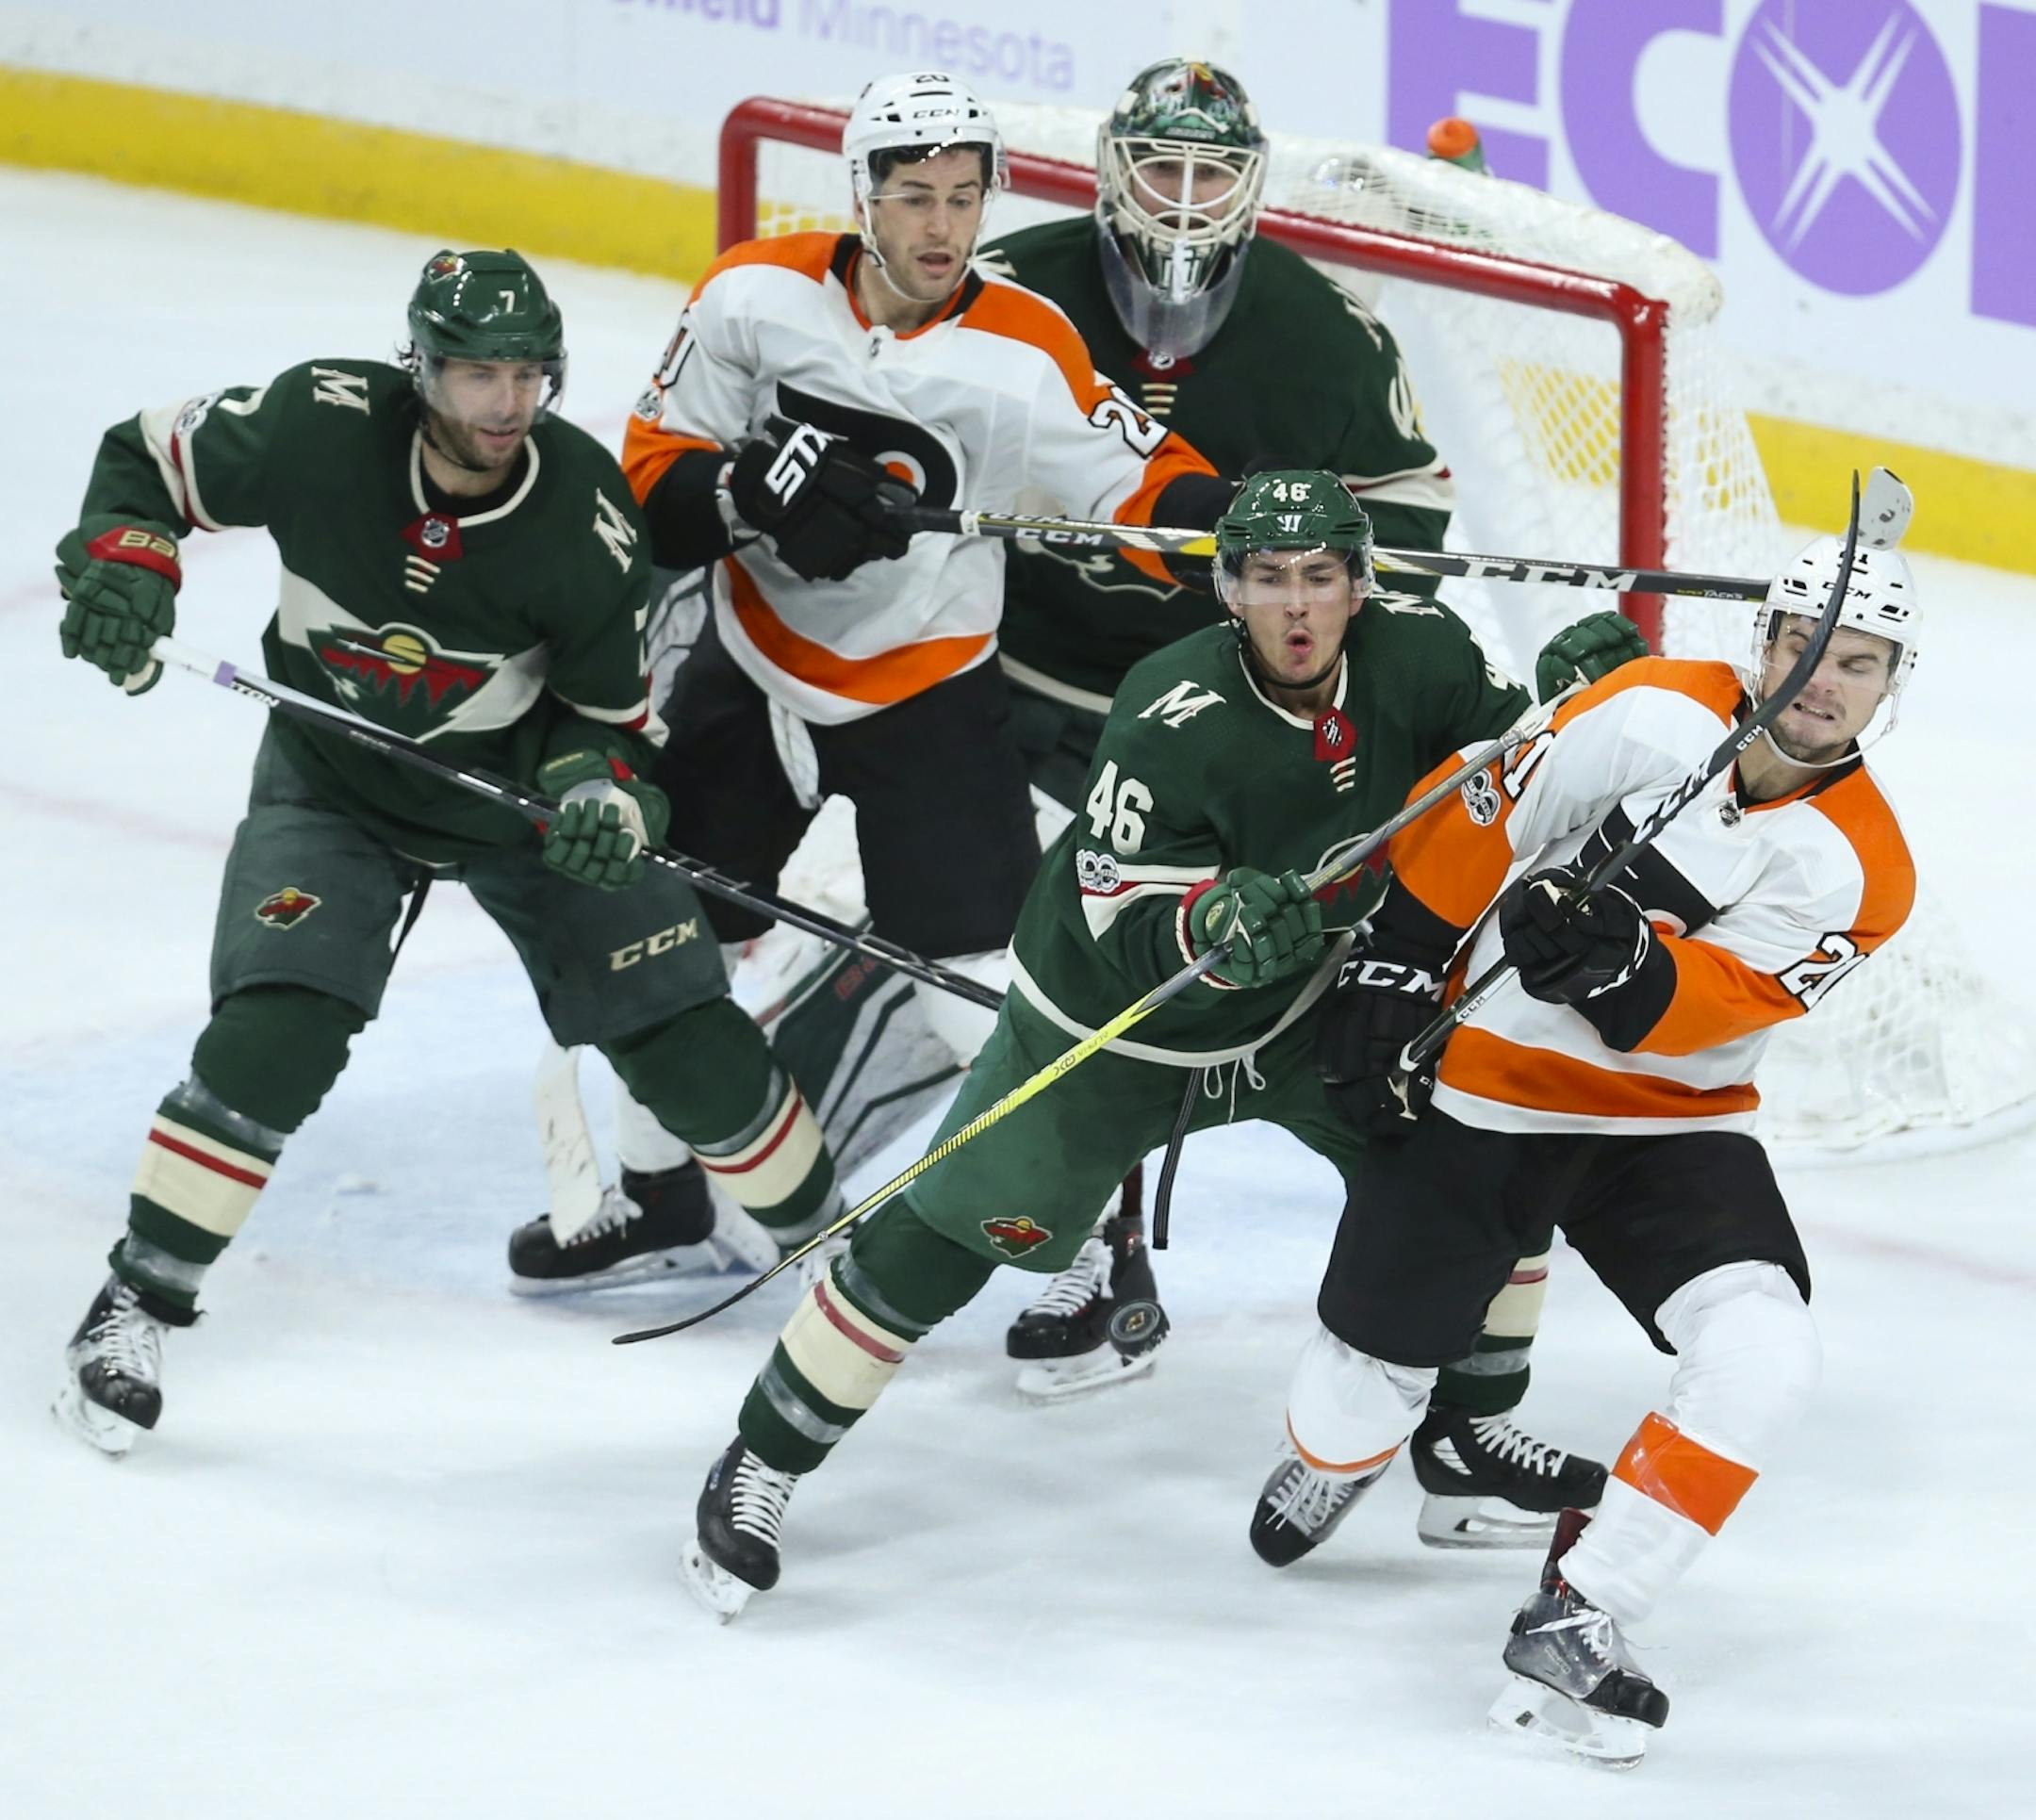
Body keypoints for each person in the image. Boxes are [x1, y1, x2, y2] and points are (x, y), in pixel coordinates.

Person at [678, 472, 1615, 1621]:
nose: (1297, 606)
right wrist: (1211, 926)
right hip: (1121, 1023)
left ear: (1362, 583)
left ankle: (1467, 1439)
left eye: (1321, 576)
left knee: (1486, 1158)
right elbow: (1124, 920)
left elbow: (1509, 774)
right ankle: (762, 1457)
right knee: (952, 1232)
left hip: (1309, 1005)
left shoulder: (1421, 656)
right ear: (1228, 587)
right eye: (1268, 579)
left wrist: (1577, 716)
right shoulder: (1170, 710)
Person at [50, 248, 844, 1456]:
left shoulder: (582, 515)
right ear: (420, 367)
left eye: (528, 376)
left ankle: (840, 1262)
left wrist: (598, 796)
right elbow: (147, 461)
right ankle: (135, 1300)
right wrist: (128, 560)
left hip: (518, 802)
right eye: (479, 375)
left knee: (691, 1037)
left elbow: (607, 724)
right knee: (279, 1026)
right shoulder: (318, 424)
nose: (507, 405)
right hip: (335, 780)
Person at [501, 68, 1232, 1290]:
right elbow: (650, 480)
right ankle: (662, 1193)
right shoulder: (752, 295)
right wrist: (742, 493)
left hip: (927, 691)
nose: (941, 227)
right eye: (913, 197)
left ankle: (1088, 1257)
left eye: (963, 195)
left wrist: (1234, 523)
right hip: (751, 664)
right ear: (862, 196)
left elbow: (1140, 485)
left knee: (976, 982)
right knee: (673, 940)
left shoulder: (1026, 345)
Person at [1275, 533, 1918, 1763]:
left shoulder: (1869, 868)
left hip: (1664, 1126)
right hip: (1483, 1089)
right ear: (1762, 643)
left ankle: (1584, 1610)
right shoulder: (1646, 709)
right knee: (1344, 1410)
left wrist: (1628, 966)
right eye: (1803, 646)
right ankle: (1359, 1437)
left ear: (1893, 685)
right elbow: (1486, 811)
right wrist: (1399, 955)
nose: (1824, 680)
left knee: (1768, 1352)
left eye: (1861, 662)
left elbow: (1719, 1001)